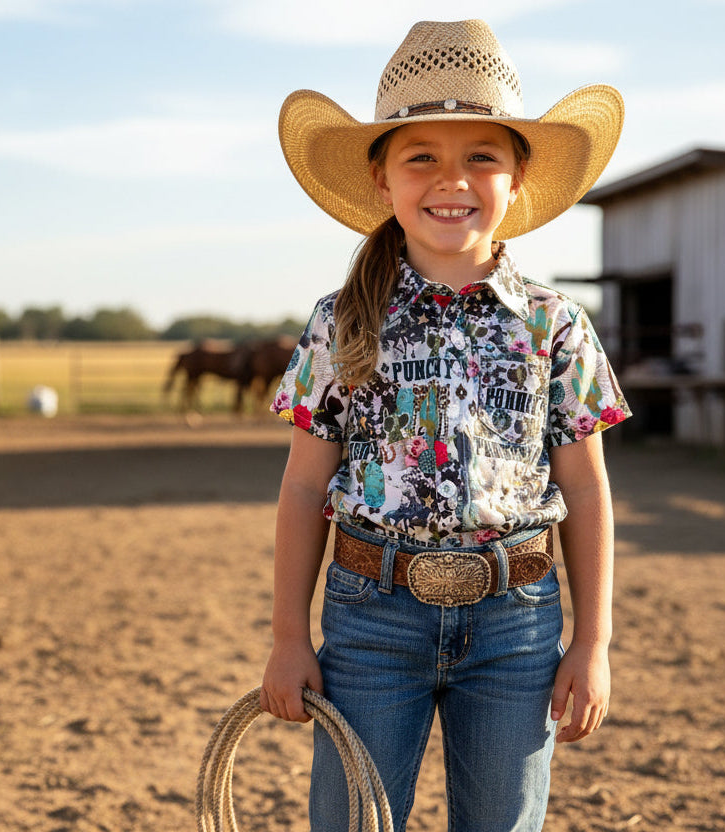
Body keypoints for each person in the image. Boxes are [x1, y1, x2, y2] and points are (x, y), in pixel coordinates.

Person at [260, 19, 630, 832]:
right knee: (353, 820)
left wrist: (593, 642)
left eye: (481, 156)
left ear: (518, 174)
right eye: (420, 154)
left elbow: (587, 487)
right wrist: (290, 636)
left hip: (518, 622)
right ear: (383, 177)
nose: (450, 179)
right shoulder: (341, 321)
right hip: (370, 615)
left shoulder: (554, 325)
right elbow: (300, 485)